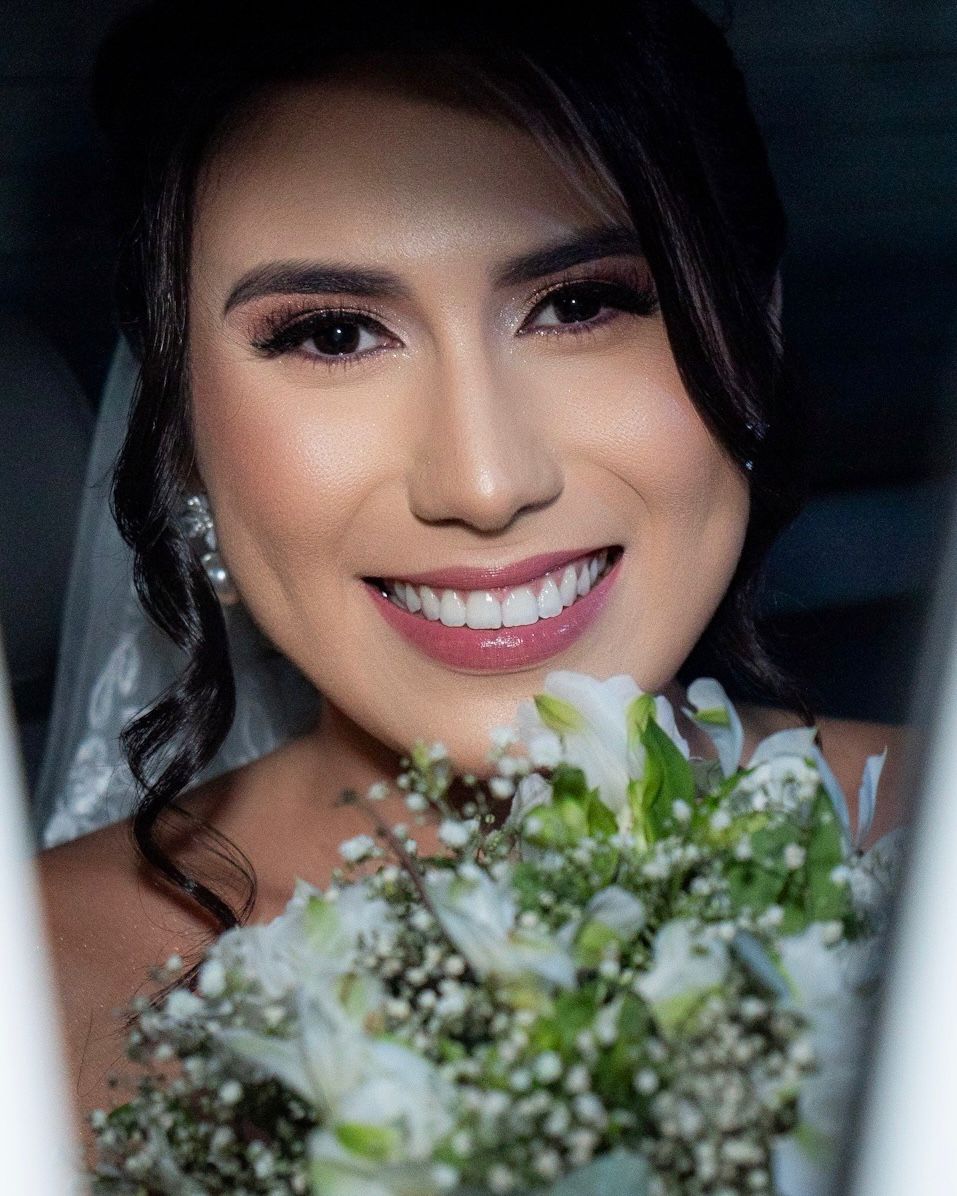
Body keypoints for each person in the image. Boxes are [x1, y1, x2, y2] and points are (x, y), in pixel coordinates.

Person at [34, 0, 914, 1169]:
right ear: (180, 425)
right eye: (334, 335)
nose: (486, 483)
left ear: (754, 330)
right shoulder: (31, 982)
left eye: (581, 303)